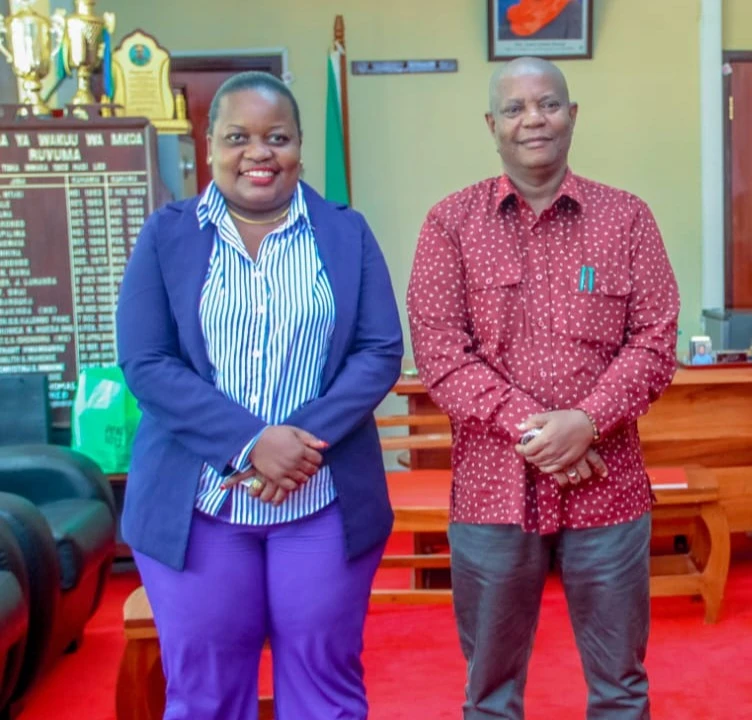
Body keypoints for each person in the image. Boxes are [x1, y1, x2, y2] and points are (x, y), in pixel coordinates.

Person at [116, 71, 403, 719]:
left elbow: (379, 349)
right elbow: (146, 360)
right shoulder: (167, 237)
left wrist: (296, 445)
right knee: (205, 694)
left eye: (276, 136)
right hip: (197, 506)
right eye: (237, 136)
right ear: (210, 144)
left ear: (300, 144)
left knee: (324, 688)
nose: (258, 152)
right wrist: (249, 443)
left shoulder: (346, 234)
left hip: (324, 501)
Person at [407, 57, 679, 719]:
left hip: (608, 488)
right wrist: (545, 430)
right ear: (491, 125)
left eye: (549, 104)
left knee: (621, 688)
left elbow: (656, 339)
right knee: (491, 693)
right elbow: (441, 355)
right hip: (492, 490)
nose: (534, 119)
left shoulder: (627, 218)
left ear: (573, 114)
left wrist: (586, 422)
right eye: (516, 108)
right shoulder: (450, 224)